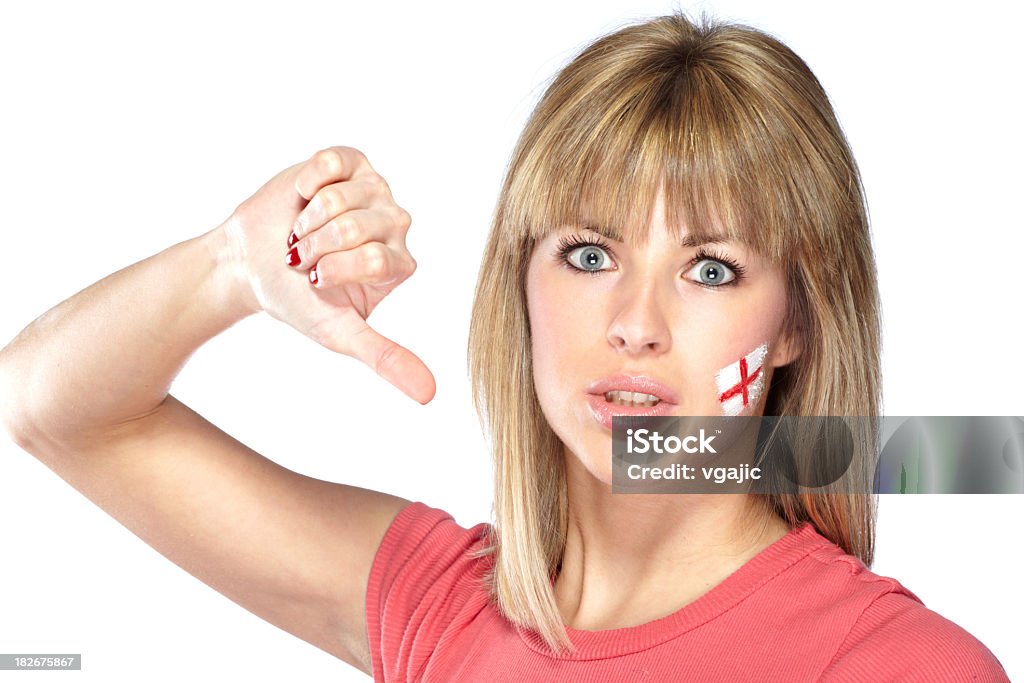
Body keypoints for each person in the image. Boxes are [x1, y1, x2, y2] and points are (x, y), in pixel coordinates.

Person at [0, 12, 1011, 682]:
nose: (634, 320)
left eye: (710, 269)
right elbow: (46, 406)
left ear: (793, 320)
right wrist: (228, 265)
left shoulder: (895, 664)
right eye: (587, 252)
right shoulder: (436, 604)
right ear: (518, 284)